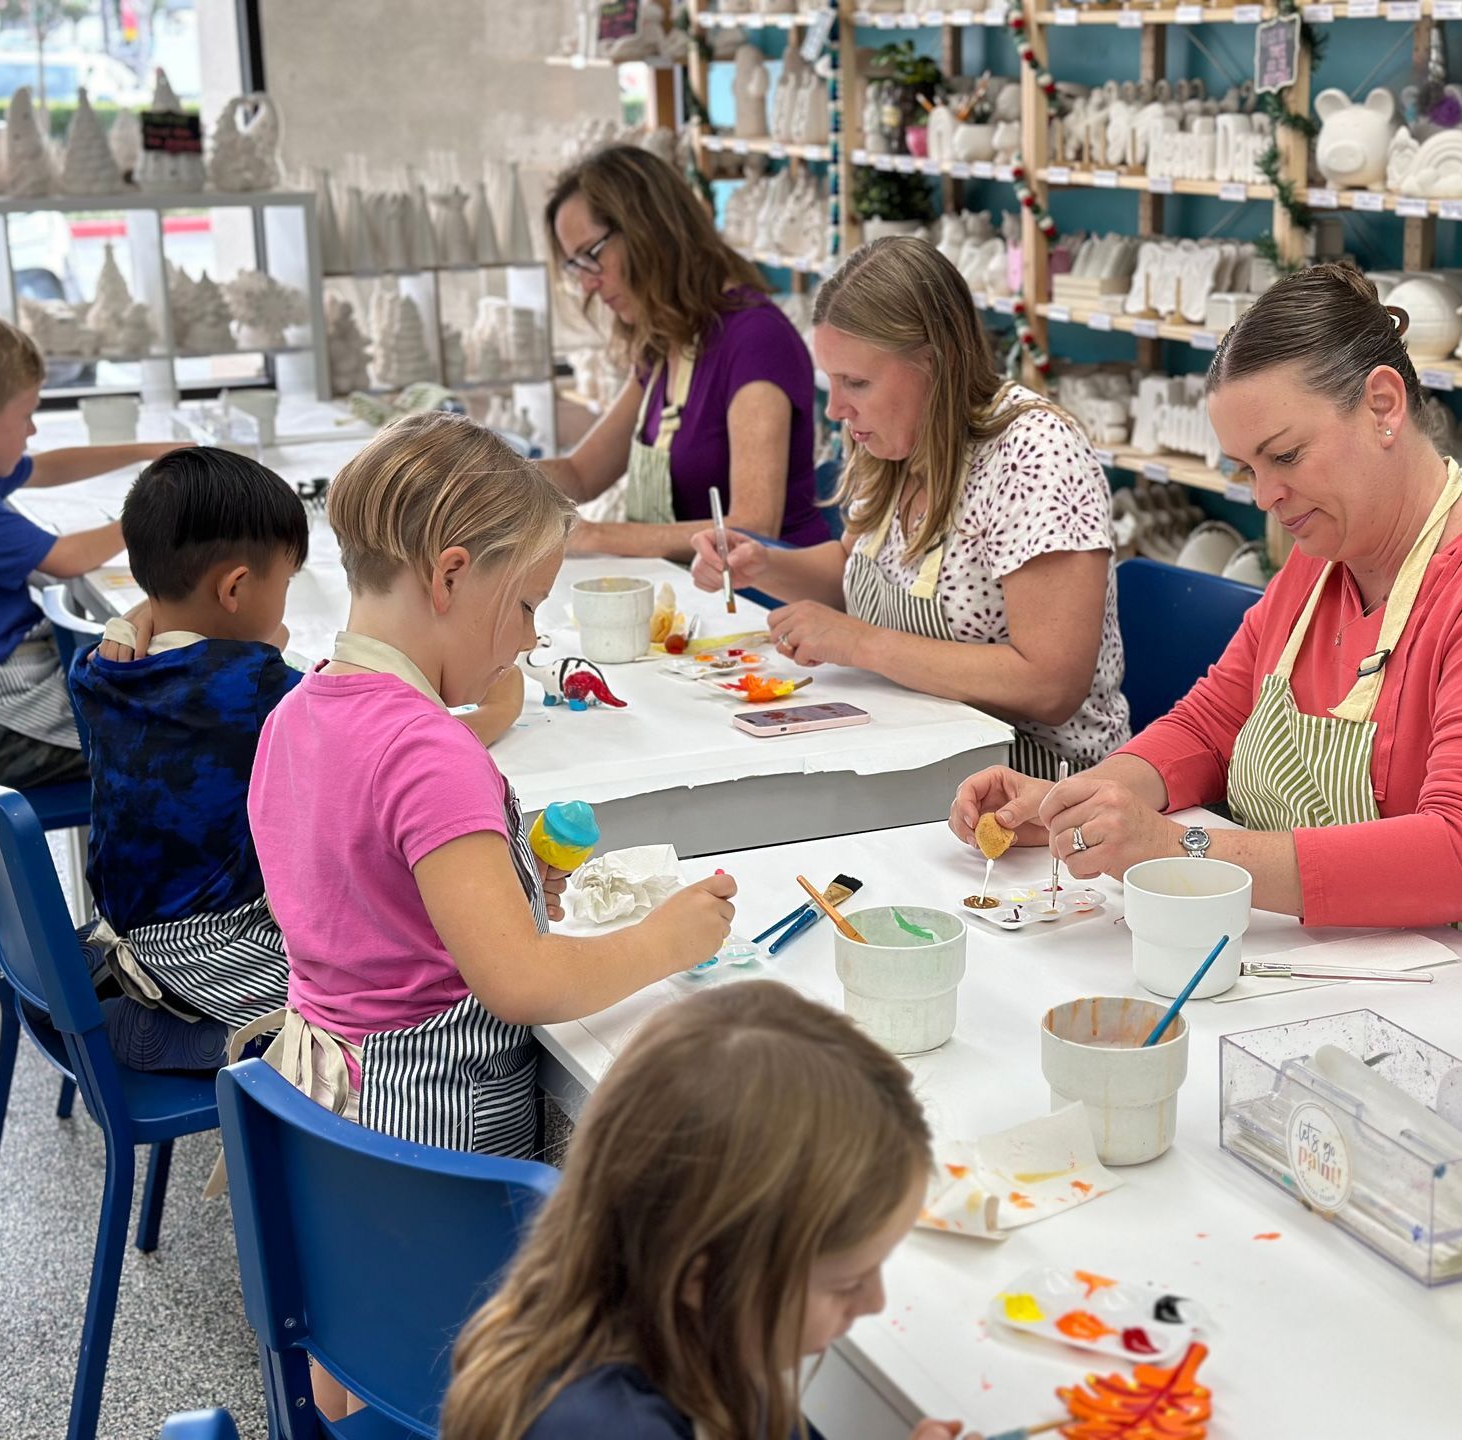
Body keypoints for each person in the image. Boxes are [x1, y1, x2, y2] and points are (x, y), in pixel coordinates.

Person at [950, 264, 1462, 1038]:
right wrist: (1084, 803)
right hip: (1379, 988)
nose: (1264, 495)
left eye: (1285, 456)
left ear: (1382, 405)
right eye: (1247, 469)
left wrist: (1186, 847)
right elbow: (1212, 726)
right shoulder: (1323, 561)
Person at [245, 412, 738, 1155]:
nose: (533, 639)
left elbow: (366, 905)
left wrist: (503, 888)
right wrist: (663, 942)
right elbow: (522, 984)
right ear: (449, 576)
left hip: (325, 1122)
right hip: (435, 1142)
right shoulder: (430, 749)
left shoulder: (291, 717)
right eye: (528, 605)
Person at [440, 981, 978, 1440]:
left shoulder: (713, 1336)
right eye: (846, 1283)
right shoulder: (605, 1427)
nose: (874, 1302)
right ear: (703, 1273)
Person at [691, 236, 1129, 778]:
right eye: (831, 380)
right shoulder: (894, 441)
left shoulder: (1034, 454)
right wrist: (763, 564)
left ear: (934, 364)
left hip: (1039, 780)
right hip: (916, 748)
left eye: (857, 382)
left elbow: (1049, 686)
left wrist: (863, 644)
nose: (835, 408)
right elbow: (853, 573)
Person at [67, 448, 307, 1071]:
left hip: (120, 930)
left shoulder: (98, 672)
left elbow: (231, 636)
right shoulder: (252, 687)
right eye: (284, 583)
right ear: (234, 588)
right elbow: (362, 720)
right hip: (206, 956)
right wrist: (493, 710)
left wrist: (141, 610)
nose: (285, 600)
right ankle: (196, 1037)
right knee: (373, 989)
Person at [0, 305, 185, 787]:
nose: (32, 430)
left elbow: (46, 467)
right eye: (26, 416)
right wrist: (160, 506)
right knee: (182, 738)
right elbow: (67, 560)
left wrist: (150, 452)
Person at [540, 145, 827, 558]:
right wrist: (483, 479)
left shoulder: (756, 340)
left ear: (648, 230)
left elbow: (753, 526)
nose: (587, 283)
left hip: (767, 602)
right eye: (576, 266)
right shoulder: (667, 343)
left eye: (591, 256)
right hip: (699, 594)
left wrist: (596, 536)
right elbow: (581, 475)